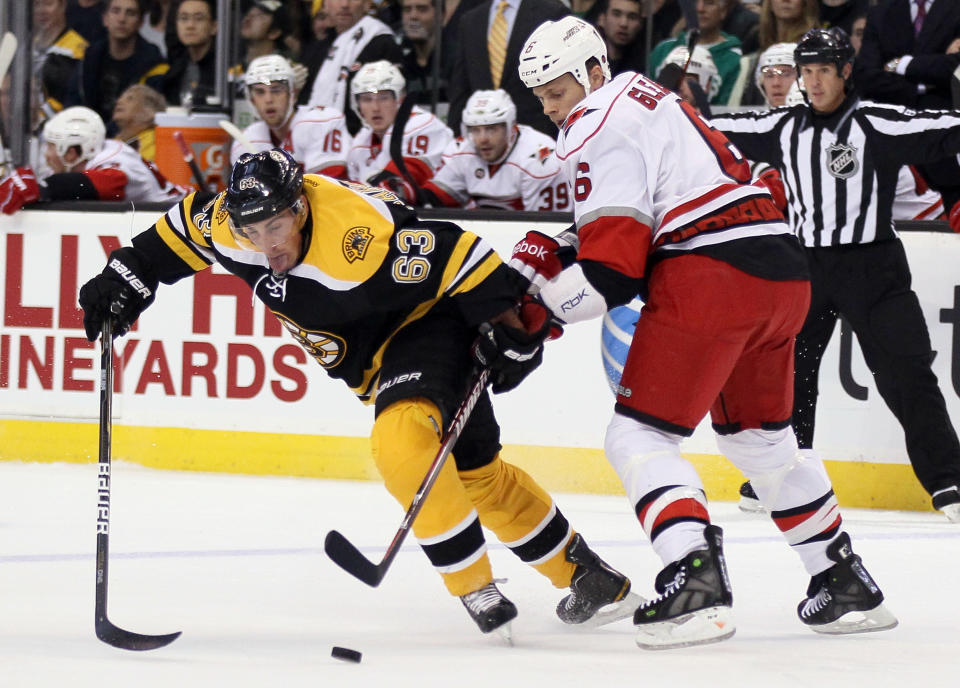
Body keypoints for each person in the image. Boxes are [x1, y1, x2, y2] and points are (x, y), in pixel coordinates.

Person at [75, 146, 641, 638]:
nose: (267, 244)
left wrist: (507, 326)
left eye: (277, 226)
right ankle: (592, 581)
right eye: (253, 231)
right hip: (368, 360)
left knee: (400, 442)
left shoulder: (356, 234)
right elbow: (168, 242)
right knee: (477, 476)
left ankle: (476, 588)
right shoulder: (232, 222)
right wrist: (123, 281)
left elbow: (457, 252)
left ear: (299, 206)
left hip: (425, 322)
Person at [512, 15, 897, 649]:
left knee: (638, 435)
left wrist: (535, 315)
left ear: (592, 72)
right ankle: (842, 579)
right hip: (780, 270)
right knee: (762, 443)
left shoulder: (596, 123)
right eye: (543, 96)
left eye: (557, 90)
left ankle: (694, 583)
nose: (552, 108)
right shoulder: (650, 95)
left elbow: (611, 273)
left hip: (710, 273)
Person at [710, 29, 960, 523]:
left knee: (905, 371)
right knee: (790, 373)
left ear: (846, 72)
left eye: (825, 69)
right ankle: (781, 476)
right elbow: (718, 129)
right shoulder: (784, 126)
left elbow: (943, 128)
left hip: (873, 266)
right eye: (807, 70)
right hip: (807, 267)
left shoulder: (875, 122)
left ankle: (949, 480)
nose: (814, 81)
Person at [0, 106, 187, 215]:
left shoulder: (115, 163)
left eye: (51, 146)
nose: (46, 155)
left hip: (190, 220)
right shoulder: (101, 147)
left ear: (71, 153)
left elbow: (108, 184)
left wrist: (43, 187)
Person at [420, 89, 570, 211]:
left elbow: (546, 229)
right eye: (475, 130)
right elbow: (435, 198)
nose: (483, 139)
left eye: (491, 129)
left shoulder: (539, 159)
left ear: (510, 128)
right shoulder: (462, 149)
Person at [446, 0, 570, 137]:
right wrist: (454, 138)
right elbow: (461, 87)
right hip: (482, 139)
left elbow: (564, 81)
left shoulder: (552, 12)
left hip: (539, 136)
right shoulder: (470, 20)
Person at [230, 55, 351, 178]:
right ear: (251, 99)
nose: (268, 100)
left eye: (276, 90)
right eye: (260, 92)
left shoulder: (320, 122)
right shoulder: (247, 141)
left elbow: (328, 189)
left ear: (292, 94)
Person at [345, 61, 453, 199]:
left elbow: (402, 185)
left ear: (400, 99)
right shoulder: (360, 141)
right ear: (357, 105)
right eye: (367, 99)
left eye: (383, 98)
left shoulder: (423, 125)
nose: (375, 108)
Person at [304, 0, 403, 135]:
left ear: (367, 4)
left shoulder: (382, 43)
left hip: (364, 140)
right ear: (325, 5)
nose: (344, 4)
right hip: (316, 140)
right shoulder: (317, 49)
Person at [73, 0, 169, 123]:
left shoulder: (154, 63)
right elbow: (73, 103)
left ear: (140, 22)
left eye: (130, 13)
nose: (122, 19)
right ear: (105, 19)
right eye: (116, 11)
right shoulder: (90, 56)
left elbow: (146, 116)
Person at [647, 0, 743, 105]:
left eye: (709, 3)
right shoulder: (663, 49)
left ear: (723, 11)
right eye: (694, 2)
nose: (700, 8)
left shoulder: (735, 59)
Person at [34, 0, 89, 122]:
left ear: (62, 6)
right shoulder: (27, 45)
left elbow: (65, 100)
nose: (42, 11)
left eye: (48, 4)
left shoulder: (77, 51)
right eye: (36, 4)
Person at [161, 0, 217, 107]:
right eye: (184, 18)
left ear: (214, 27)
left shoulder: (222, 70)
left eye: (199, 19)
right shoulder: (174, 72)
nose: (190, 25)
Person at [397, 0, 448, 105]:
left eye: (422, 9)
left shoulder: (457, 61)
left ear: (441, 15)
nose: (413, 16)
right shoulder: (400, 65)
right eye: (407, 10)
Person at [111, 83, 167, 160]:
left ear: (149, 112)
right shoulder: (114, 141)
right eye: (121, 98)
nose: (119, 101)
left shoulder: (154, 142)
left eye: (130, 98)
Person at [595, 0, 646, 76]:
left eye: (632, 17)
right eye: (616, 14)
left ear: (640, 24)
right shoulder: (588, 62)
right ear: (602, 19)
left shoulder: (645, 66)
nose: (624, 23)